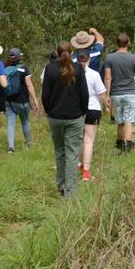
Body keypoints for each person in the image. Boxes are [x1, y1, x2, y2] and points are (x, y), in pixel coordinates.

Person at [41, 39, 88, 198]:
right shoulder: (78, 69)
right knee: (72, 153)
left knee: (60, 151)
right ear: (72, 52)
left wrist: (49, 111)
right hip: (74, 116)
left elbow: (45, 95)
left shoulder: (50, 69)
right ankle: (70, 190)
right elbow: (84, 93)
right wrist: (83, 111)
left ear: (57, 52)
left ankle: (61, 185)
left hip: (55, 116)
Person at [102, 33, 135, 153]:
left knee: (120, 120)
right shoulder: (134, 58)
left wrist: (107, 95)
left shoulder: (110, 58)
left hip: (115, 94)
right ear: (128, 43)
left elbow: (107, 78)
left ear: (116, 43)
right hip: (130, 94)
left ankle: (120, 142)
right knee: (129, 120)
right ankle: (127, 147)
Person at [77, 42, 108, 182]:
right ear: (89, 59)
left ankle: (80, 164)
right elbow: (102, 94)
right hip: (93, 109)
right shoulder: (94, 75)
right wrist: (107, 106)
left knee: (80, 139)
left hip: (77, 110)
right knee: (89, 141)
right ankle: (86, 172)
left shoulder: (72, 74)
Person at [3, 48, 39, 152]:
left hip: (9, 101)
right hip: (22, 101)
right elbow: (29, 85)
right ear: (19, 57)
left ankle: (11, 148)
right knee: (25, 122)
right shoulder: (24, 68)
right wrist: (35, 99)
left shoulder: (5, 68)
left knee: (10, 123)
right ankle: (29, 144)